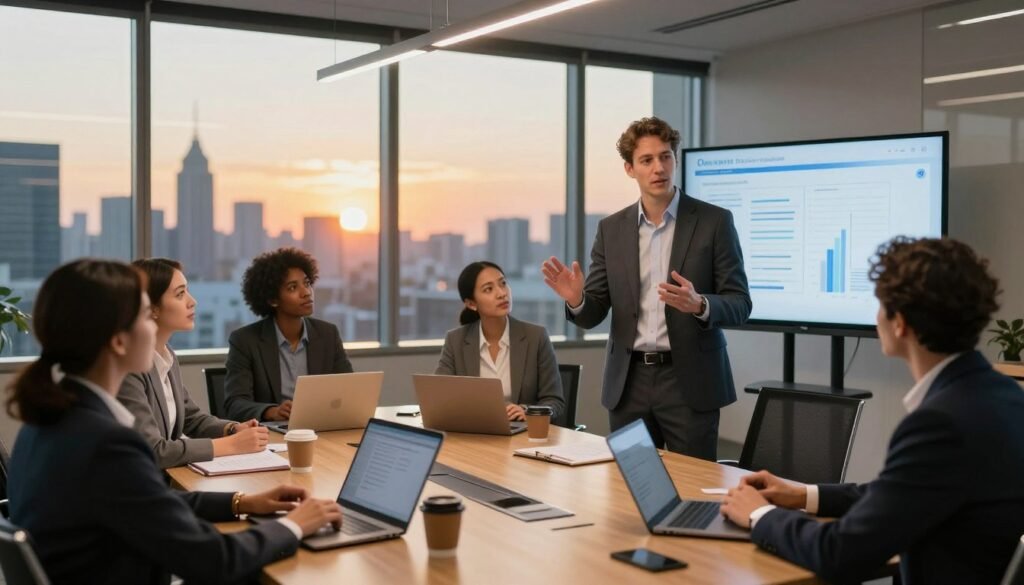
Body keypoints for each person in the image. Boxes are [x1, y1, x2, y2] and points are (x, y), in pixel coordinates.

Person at [5, 259, 342, 585]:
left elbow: (145, 501)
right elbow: (215, 561)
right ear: (119, 341)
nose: (153, 326)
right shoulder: (106, 444)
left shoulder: (50, 418)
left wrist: (242, 501)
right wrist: (294, 526)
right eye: (143, 315)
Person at [721, 237, 1024, 585]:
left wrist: (761, 514)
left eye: (880, 304)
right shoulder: (1001, 394)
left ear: (901, 323)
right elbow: (902, 493)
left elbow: (839, 553)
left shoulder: (940, 423)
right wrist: (804, 495)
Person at [542, 116, 751, 459]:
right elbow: (593, 312)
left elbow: (740, 304)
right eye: (647, 160)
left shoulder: (714, 222)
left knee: (693, 488)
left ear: (675, 160)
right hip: (629, 382)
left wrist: (700, 305)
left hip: (690, 382)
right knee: (631, 489)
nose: (659, 168)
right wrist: (578, 299)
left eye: (666, 156)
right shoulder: (611, 229)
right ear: (629, 168)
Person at [118, 258, 268, 469]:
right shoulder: (129, 368)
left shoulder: (167, 355)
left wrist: (233, 429)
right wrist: (231, 445)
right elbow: (153, 450)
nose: (192, 301)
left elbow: (192, 418)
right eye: (180, 294)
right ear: (151, 308)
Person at [224, 247, 353, 422]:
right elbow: (235, 404)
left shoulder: (328, 334)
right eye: (293, 287)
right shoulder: (245, 341)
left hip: (321, 428)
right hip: (273, 436)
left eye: (307, 283)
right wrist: (272, 411)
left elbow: (349, 391)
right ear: (272, 299)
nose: (306, 292)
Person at [435, 261, 565, 421]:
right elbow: (440, 399)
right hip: (474, 434)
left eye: (503, 284)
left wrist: (527, 411)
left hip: (522, 436)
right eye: (488, 289)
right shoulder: (455, 341)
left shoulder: (536, 337)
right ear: (471, 303)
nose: (501, 293)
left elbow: (555, 402)